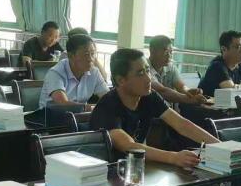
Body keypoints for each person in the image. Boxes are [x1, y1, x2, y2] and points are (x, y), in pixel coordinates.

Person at [90, 48, 218, 167]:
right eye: (140, 73)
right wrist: (174, 157)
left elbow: (182, 125)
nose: (148, 79)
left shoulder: (149, 96)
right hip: (108, 171)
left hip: (137, 167)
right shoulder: (107, 106)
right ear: (120, 80)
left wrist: (221, 147)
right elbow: (128, 146)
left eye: (147, 71)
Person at [39, 34, 109, 110]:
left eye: (92, 54)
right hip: (50, 115)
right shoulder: (55, 73)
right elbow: (63, 104)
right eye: (86, 54)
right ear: (71, 56)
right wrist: (93, 108)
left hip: (80, 116)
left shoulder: (94, 72)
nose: (90, 59)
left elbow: (108, 98)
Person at [198, 30, 241, 97]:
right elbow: (232, 92)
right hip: (206, 105)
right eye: (238, 47)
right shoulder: (217, 66)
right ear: (224, 49)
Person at [148, 35, 206, 105]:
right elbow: (162, 91)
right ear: (152, 51)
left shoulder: (170, 67)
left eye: (171, 52)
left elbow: (181, 87)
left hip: (167, 110)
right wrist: (188, 99)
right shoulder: (145, 69)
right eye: (166, 52)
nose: (169, 56)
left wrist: (188, 91)